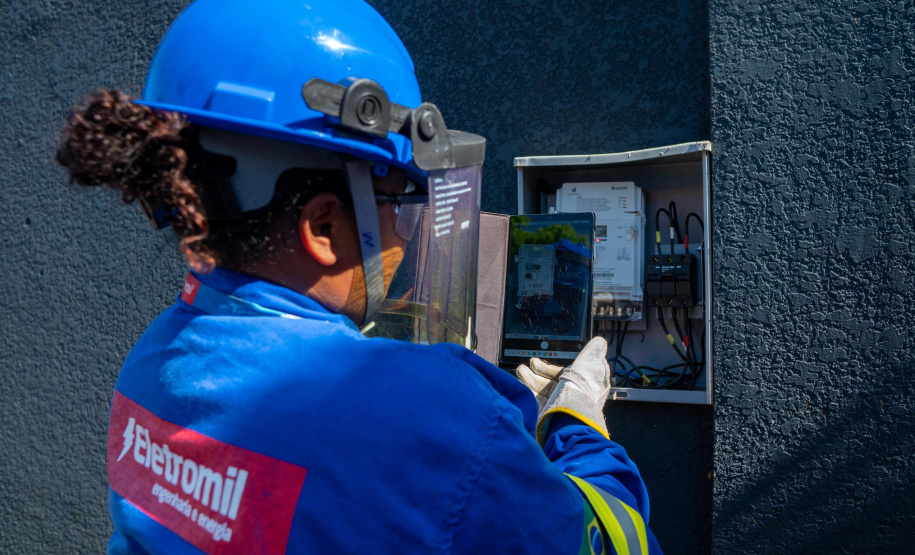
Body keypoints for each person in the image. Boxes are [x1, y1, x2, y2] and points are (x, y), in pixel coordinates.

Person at [57, 0, 662, 553]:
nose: (405, 232)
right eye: (400, 203)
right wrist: (576, 422)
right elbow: (613, 542)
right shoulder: (438, 422)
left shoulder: (154, 361)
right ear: (323, 228)